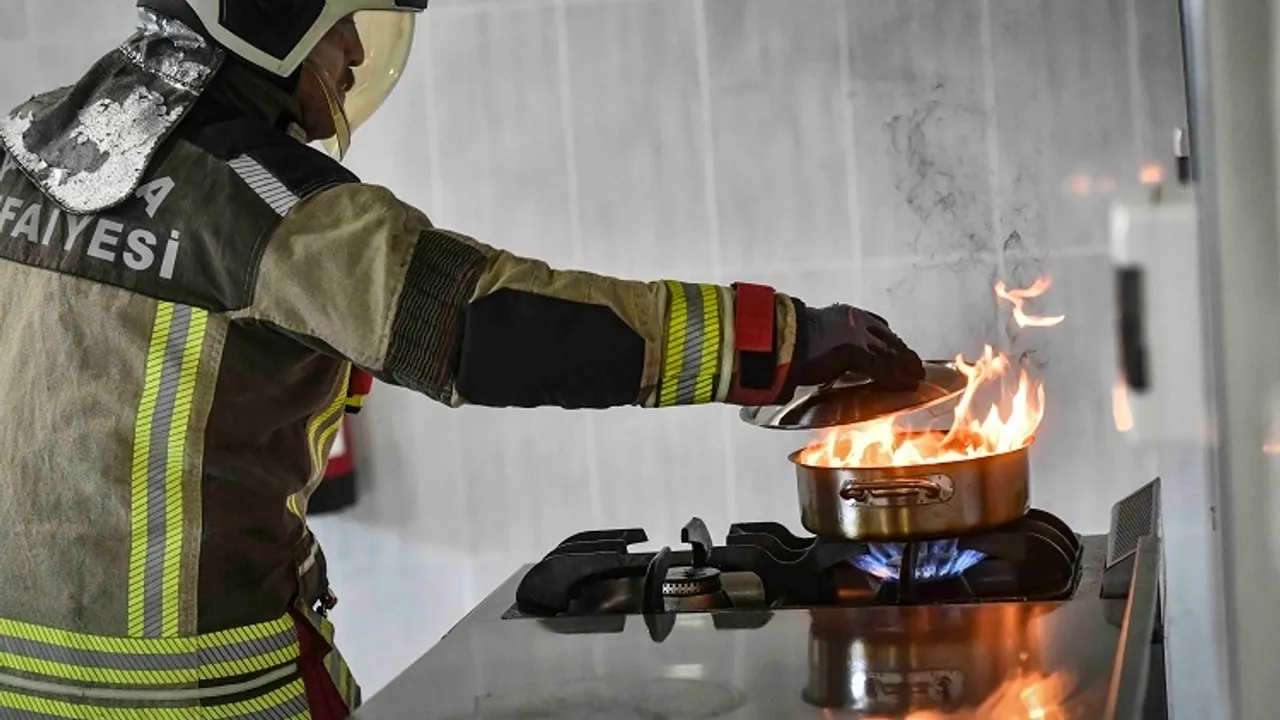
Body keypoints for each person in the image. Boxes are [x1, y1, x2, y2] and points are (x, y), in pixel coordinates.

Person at [0, 1, 925, 717]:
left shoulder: (25, 149)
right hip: (202, 693)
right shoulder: (269, 208)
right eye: (340, 23)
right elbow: (498, 324)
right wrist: (780, 340)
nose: (353, 54)